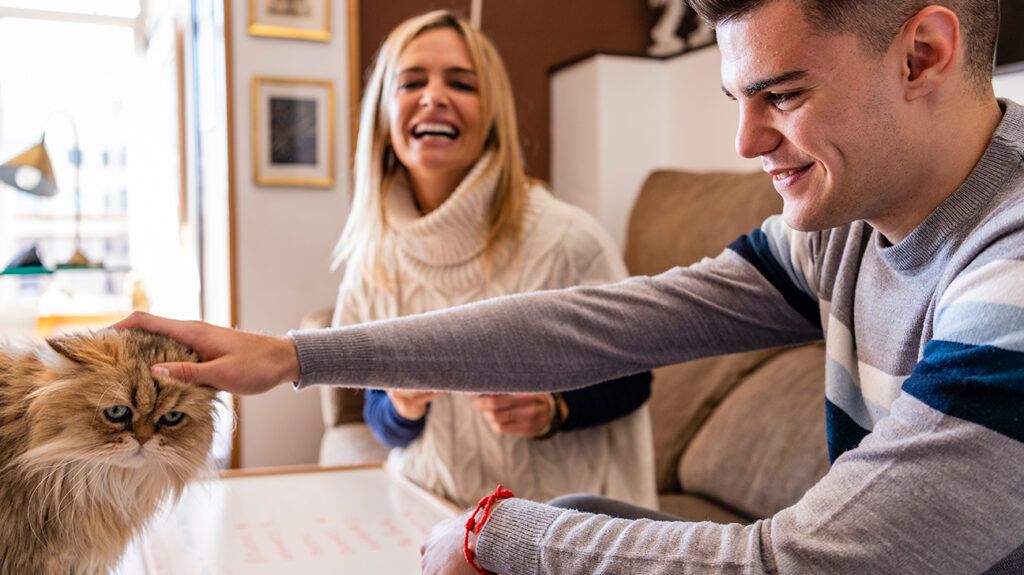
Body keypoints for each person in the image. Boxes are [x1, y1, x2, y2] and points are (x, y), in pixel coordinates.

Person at [116, 0, 1024, 573]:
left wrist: (498, 533)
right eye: (736, 101)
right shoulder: (844, 227)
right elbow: (599, 327)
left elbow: (792, 560)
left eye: (780, 95)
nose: (744, 145)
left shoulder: (1009, 277)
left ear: (923, 55)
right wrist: (296, 357)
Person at [335, 11, 658, 509]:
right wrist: (400, 404)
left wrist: (555, 408)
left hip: (549, 528)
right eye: (411, 82)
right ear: (383, 114)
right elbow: (379, 418)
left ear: (491, 114)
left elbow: (635, 378)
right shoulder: (370, 260)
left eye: (461, 84)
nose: (434, 96)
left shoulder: (569, 240)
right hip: (428, 513)